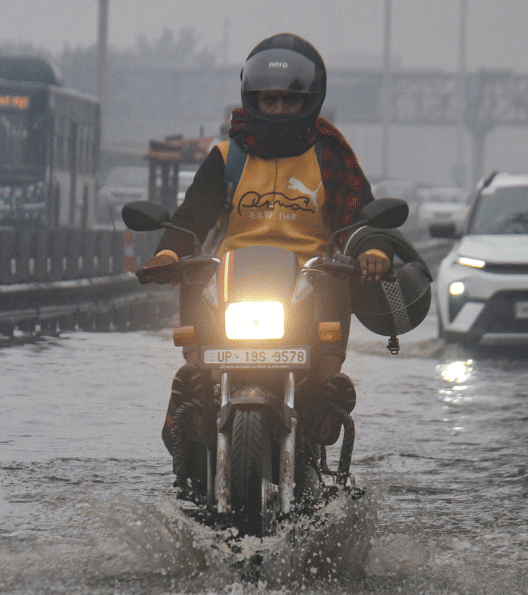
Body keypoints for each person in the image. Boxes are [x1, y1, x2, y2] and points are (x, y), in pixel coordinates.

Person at [142, 33, 392, 493]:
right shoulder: (225, 157)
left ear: (310, 101)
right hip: (230, 287)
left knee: (324, 388)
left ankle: (319, 433)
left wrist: (374, 252)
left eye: (290, 100)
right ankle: (190, 466)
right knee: (192, 381)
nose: (278, 110)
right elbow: (189, 220)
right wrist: (168, 253)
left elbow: (362, 223)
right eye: (268, 100)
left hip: (312, 289)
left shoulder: (332, 157)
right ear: (251, 98)